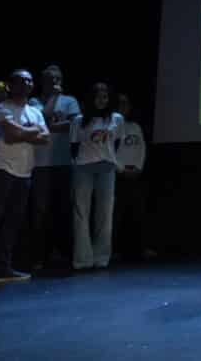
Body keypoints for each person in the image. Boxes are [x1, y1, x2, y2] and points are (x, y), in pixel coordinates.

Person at [0, 70, 49, 291]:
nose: (26, 83)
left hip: (24, 173)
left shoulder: (35, 111)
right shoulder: (0, 109)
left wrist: (23, 132)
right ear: (10, 85)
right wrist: (33, 131)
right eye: (21, 80)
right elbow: (10, 136)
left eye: (29, 80)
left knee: (11, 224)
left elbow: (45, 138)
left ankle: (1, 269)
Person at [28, 65, 81, 271]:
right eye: (51, 79)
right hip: (40, 164)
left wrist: (49, 126)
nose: (55, 82)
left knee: (63, 209)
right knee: (40, 211)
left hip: (64, 162)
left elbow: (75, 124)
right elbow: (41, 119)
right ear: (43, 81)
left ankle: (63, 253)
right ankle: (39, 256)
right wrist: (53, 102)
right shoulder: (34, 102)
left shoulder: (70, 100)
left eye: (58, 78)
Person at [69, 82, 124, 270]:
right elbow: (73, 146)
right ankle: (82, 259)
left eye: (105, 97)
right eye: (97, 97)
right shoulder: (79, 120)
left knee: (105, 213)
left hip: (106, 168)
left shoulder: (116, 118)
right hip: (83, 168)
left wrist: (107, 157)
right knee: (81, 213)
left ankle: (101, 257)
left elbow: (116, 143)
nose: (101, 100)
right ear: (90, 99)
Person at [112, 93, 154, 261]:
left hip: (135, 174)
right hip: (118, 174)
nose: (124, 107)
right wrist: (121, 169)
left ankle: (141, 248)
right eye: (121, 104)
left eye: (126, 104)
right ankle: (112, 249)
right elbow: (109, 150)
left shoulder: (135, 126)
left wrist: (138, 167)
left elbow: (141, 148)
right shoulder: (112, 126)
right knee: (116, 214)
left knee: (138, 212)